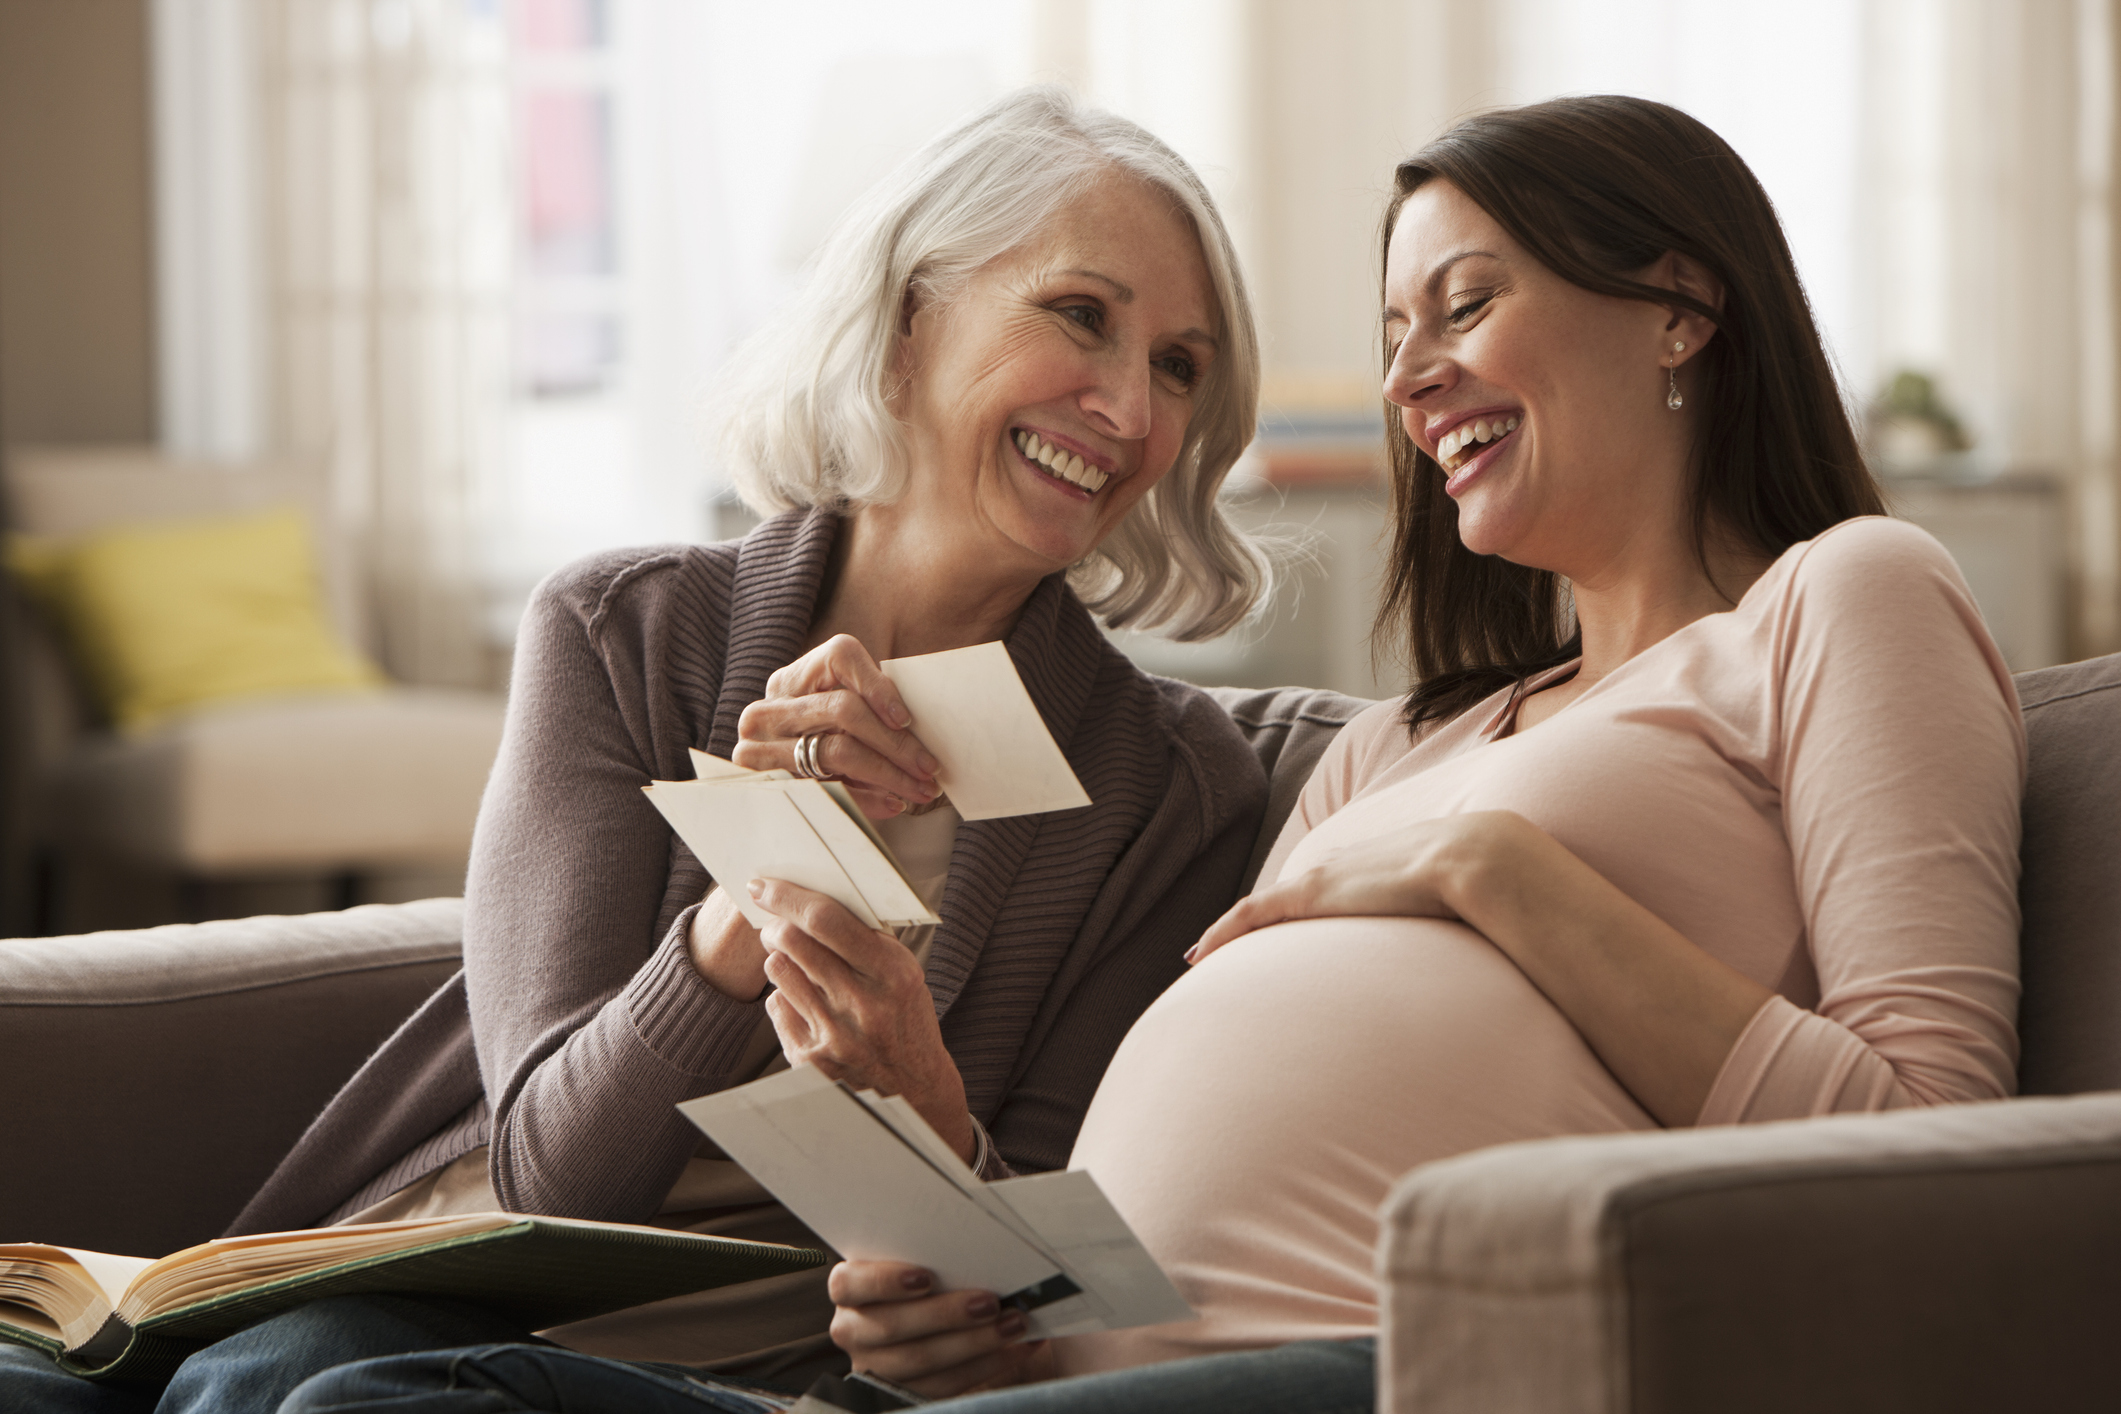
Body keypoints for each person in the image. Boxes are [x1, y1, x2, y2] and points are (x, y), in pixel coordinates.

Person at [284, 94, 2023, 1414]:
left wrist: (1495, 872)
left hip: (1364, 1358)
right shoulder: (1393, 755)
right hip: (1066, 1370)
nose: (1411, 378)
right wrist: (951, 1282)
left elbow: (1939, 1151)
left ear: (1678, 308)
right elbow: (1083, 1234)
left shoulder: (1838, 600)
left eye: (1463, 303)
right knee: (355, 1393)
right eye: (1397, 330)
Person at [0, 87, 1284, 1414]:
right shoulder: (626, 631)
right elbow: (553, 1173)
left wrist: (930, 1138)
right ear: (909, 315)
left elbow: (1039, 1286)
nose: (1130, 409)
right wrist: (737, 923)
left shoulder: (1174, 789)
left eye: (1178, 367)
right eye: (1081, 315)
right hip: (400, 1282)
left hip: (704, 1381)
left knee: (315, 1393)